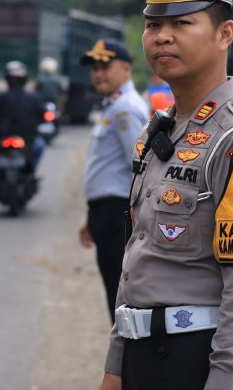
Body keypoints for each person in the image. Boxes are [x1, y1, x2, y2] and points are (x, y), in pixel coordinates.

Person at [100, 0, 233, 390]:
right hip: (145, 362)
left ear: (225, 34)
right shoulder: (159, 133)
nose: (162, 36)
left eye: (181, 23)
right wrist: (115, 367)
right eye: (153, 25)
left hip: (201, 365)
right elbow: (136, 262)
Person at [78, 39, 149, 323]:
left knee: (120, 296)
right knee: (115, 291)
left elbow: (140, 167)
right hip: (106, 212)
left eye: (105, 66)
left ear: (126, 68)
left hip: (117, 213)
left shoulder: (124, 109)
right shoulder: (114, 105)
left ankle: (125, 363)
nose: (99, 73)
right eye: (95, 68)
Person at [0, 60, 46, 208]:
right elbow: (43, 116)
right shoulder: (34, 98)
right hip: (24, 141)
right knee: (40, 146)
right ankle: (32, 171)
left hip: (8, 140)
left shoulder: (1, 99)